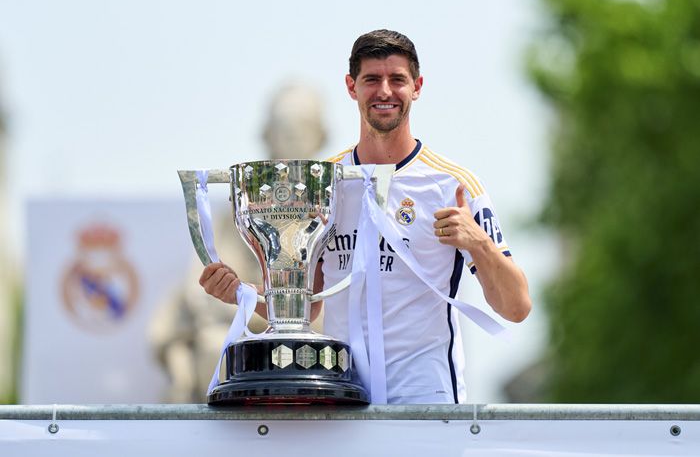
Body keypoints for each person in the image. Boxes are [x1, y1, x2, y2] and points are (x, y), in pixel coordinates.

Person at [200, 29, 531, 404]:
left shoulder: (451, 184)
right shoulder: (320, 182)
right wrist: (241, 295)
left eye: (398, 80)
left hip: (424, 397)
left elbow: (516, 307)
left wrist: (479, 243)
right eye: (372, 79)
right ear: (351, 87)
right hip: (345, 394)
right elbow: (305, 306)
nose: (385, 92)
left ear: (417, 86)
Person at [150, 82, 327, 402]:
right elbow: (202, 290)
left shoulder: (338, 203)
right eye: (283, 129)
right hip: (245, 328)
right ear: (266, 135)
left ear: (320, 135)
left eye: (300, 128)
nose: (291, 139)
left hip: (319, 329)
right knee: (215, 344)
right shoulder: (240, 210)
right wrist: (265, 310)